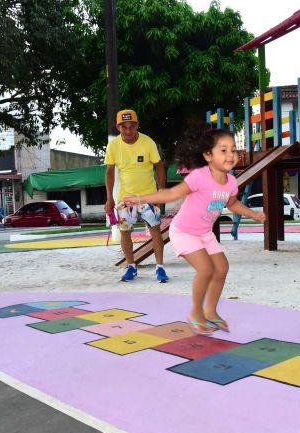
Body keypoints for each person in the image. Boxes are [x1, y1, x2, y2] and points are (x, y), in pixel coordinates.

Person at [122, 128, 266, 335]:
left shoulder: (231, 182)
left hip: (205, 234)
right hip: (184, 232)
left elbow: (232, 203)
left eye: (233, 150)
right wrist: (139, 199)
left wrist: (253, 214)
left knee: (222, 268)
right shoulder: (199, 177)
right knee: (206, 270)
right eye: (223, 150)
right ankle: (196, 313)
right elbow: (171, 194)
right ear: (208, 155)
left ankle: (211, 311)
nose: (230, 155)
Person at [105, 109, 169, 283]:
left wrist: (162, 190)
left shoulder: (147, 142)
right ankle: (131, 267)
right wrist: (110, 198)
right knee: (125, 231)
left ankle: (160, 267)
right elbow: (109, 172)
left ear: (137, 125)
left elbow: (159, 165)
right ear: (118, 127)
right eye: (124, 127)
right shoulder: (113, 146)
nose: (128, 131)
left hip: (149, 196)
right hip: (126, 198)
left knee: (155, 230)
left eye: (131, 126)